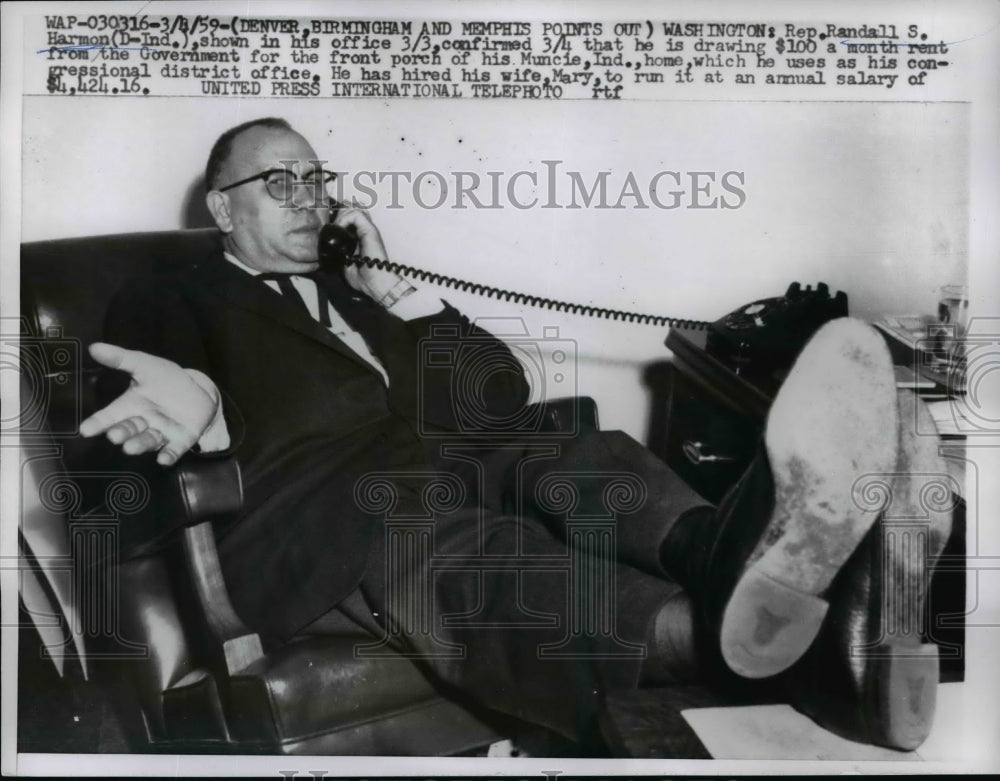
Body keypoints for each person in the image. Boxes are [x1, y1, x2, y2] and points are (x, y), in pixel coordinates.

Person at [79, 117, 952, 752]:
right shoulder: (172, 296)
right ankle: (800, 641)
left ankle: (728, 555)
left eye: (317, 178)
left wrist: (392, 289)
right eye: (281, 182)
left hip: (453, 460)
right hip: (338, 509)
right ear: (222, 207)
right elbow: (152, 401)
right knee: (480, 556)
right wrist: (200, 406)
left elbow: (497, 390)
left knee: (564, 443)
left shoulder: (357, 289)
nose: (310, 198)